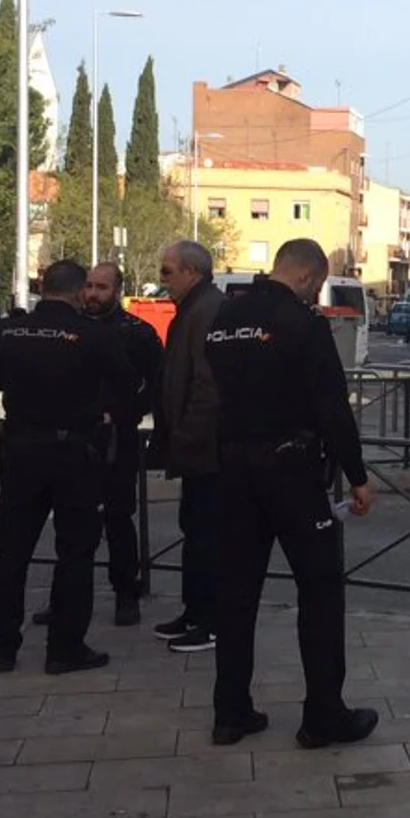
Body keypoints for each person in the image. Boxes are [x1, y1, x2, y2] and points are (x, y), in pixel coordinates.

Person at [204, 239, 378, 748]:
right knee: (321, 590)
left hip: (233, 467)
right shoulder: (304, 323)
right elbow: (332, 407)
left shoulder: (225, 318)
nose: (314, 294)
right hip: (291, 471)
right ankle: (323, 715)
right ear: (307, 277)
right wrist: (358, 475)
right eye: (316, 286)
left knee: (236, 593)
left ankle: (230, 712)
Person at [0, 260, 134, 676]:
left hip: (20, 449)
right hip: (74, 453)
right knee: (75, 552)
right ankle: (64, 648)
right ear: (79, 291)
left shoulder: (9, 331)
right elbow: (126, 384)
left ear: (43, 286)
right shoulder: (93, 334)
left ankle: (1, 647)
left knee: (12, 551)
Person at [32, 263, 162, 629]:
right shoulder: (67, 329)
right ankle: (65, 601)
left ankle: (126, 593)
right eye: (88, 286)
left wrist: (117, 413)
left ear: (118, 290)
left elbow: (153, 388)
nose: (93, 294)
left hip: (116, 440)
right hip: (71, 441)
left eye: (102, 287)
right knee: (70, 527)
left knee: (118, 520)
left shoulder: (137, 334)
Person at [149, 241, 225, 653]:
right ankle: (194, 611)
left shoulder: (206, 310)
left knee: (206, 536)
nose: (162, 280)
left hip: (206, 449)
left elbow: (207, 384)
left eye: (166, 271)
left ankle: (209, 620)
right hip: (193, 446)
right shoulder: (192, 309)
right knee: (194, 531)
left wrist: (188, 434)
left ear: (192, 272)